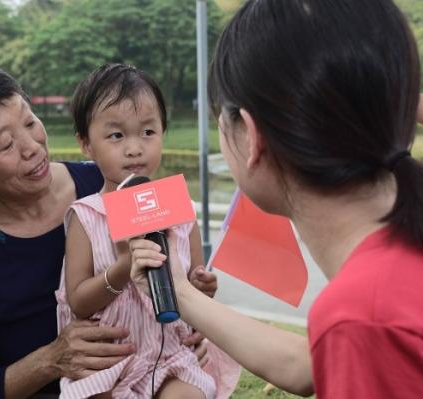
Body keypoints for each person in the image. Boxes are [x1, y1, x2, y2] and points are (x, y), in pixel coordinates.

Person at [130, 0, 423, 398]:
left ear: (250, 137)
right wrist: (177, 290)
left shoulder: (364, 317)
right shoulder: (373, 305)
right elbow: (307, 365)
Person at [0, 60, 218, 398]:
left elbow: (178, 279)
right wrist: (50, 360)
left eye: (30, 122)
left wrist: (186, 331)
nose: (33, 147)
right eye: (5, 144)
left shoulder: (110, 180)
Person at [55, 64, 240, 399]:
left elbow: (195, 284)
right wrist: (125, 264)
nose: (134, 148)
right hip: (108, 362)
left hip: (171, 354)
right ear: (85, 144)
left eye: (148, 132)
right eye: (116, 136)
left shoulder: (180, 212)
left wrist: (202, 285)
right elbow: (79, 301)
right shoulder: (86, 216)